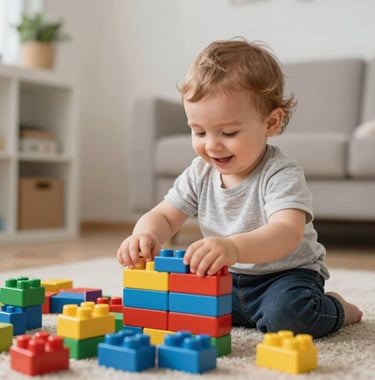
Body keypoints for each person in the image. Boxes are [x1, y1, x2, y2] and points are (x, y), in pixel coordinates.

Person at [117, 38, 362, 338]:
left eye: (228, 132)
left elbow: (287, 233)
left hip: (283, 278)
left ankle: (336, 308)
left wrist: (234, 247)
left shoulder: (280, 173)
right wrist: (145, 234)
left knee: (289, 316)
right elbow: (166, 216)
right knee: (176, 304)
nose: (211, 145)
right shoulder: (200, 173)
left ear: (270, 123)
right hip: (224, 277)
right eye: (198, 131)